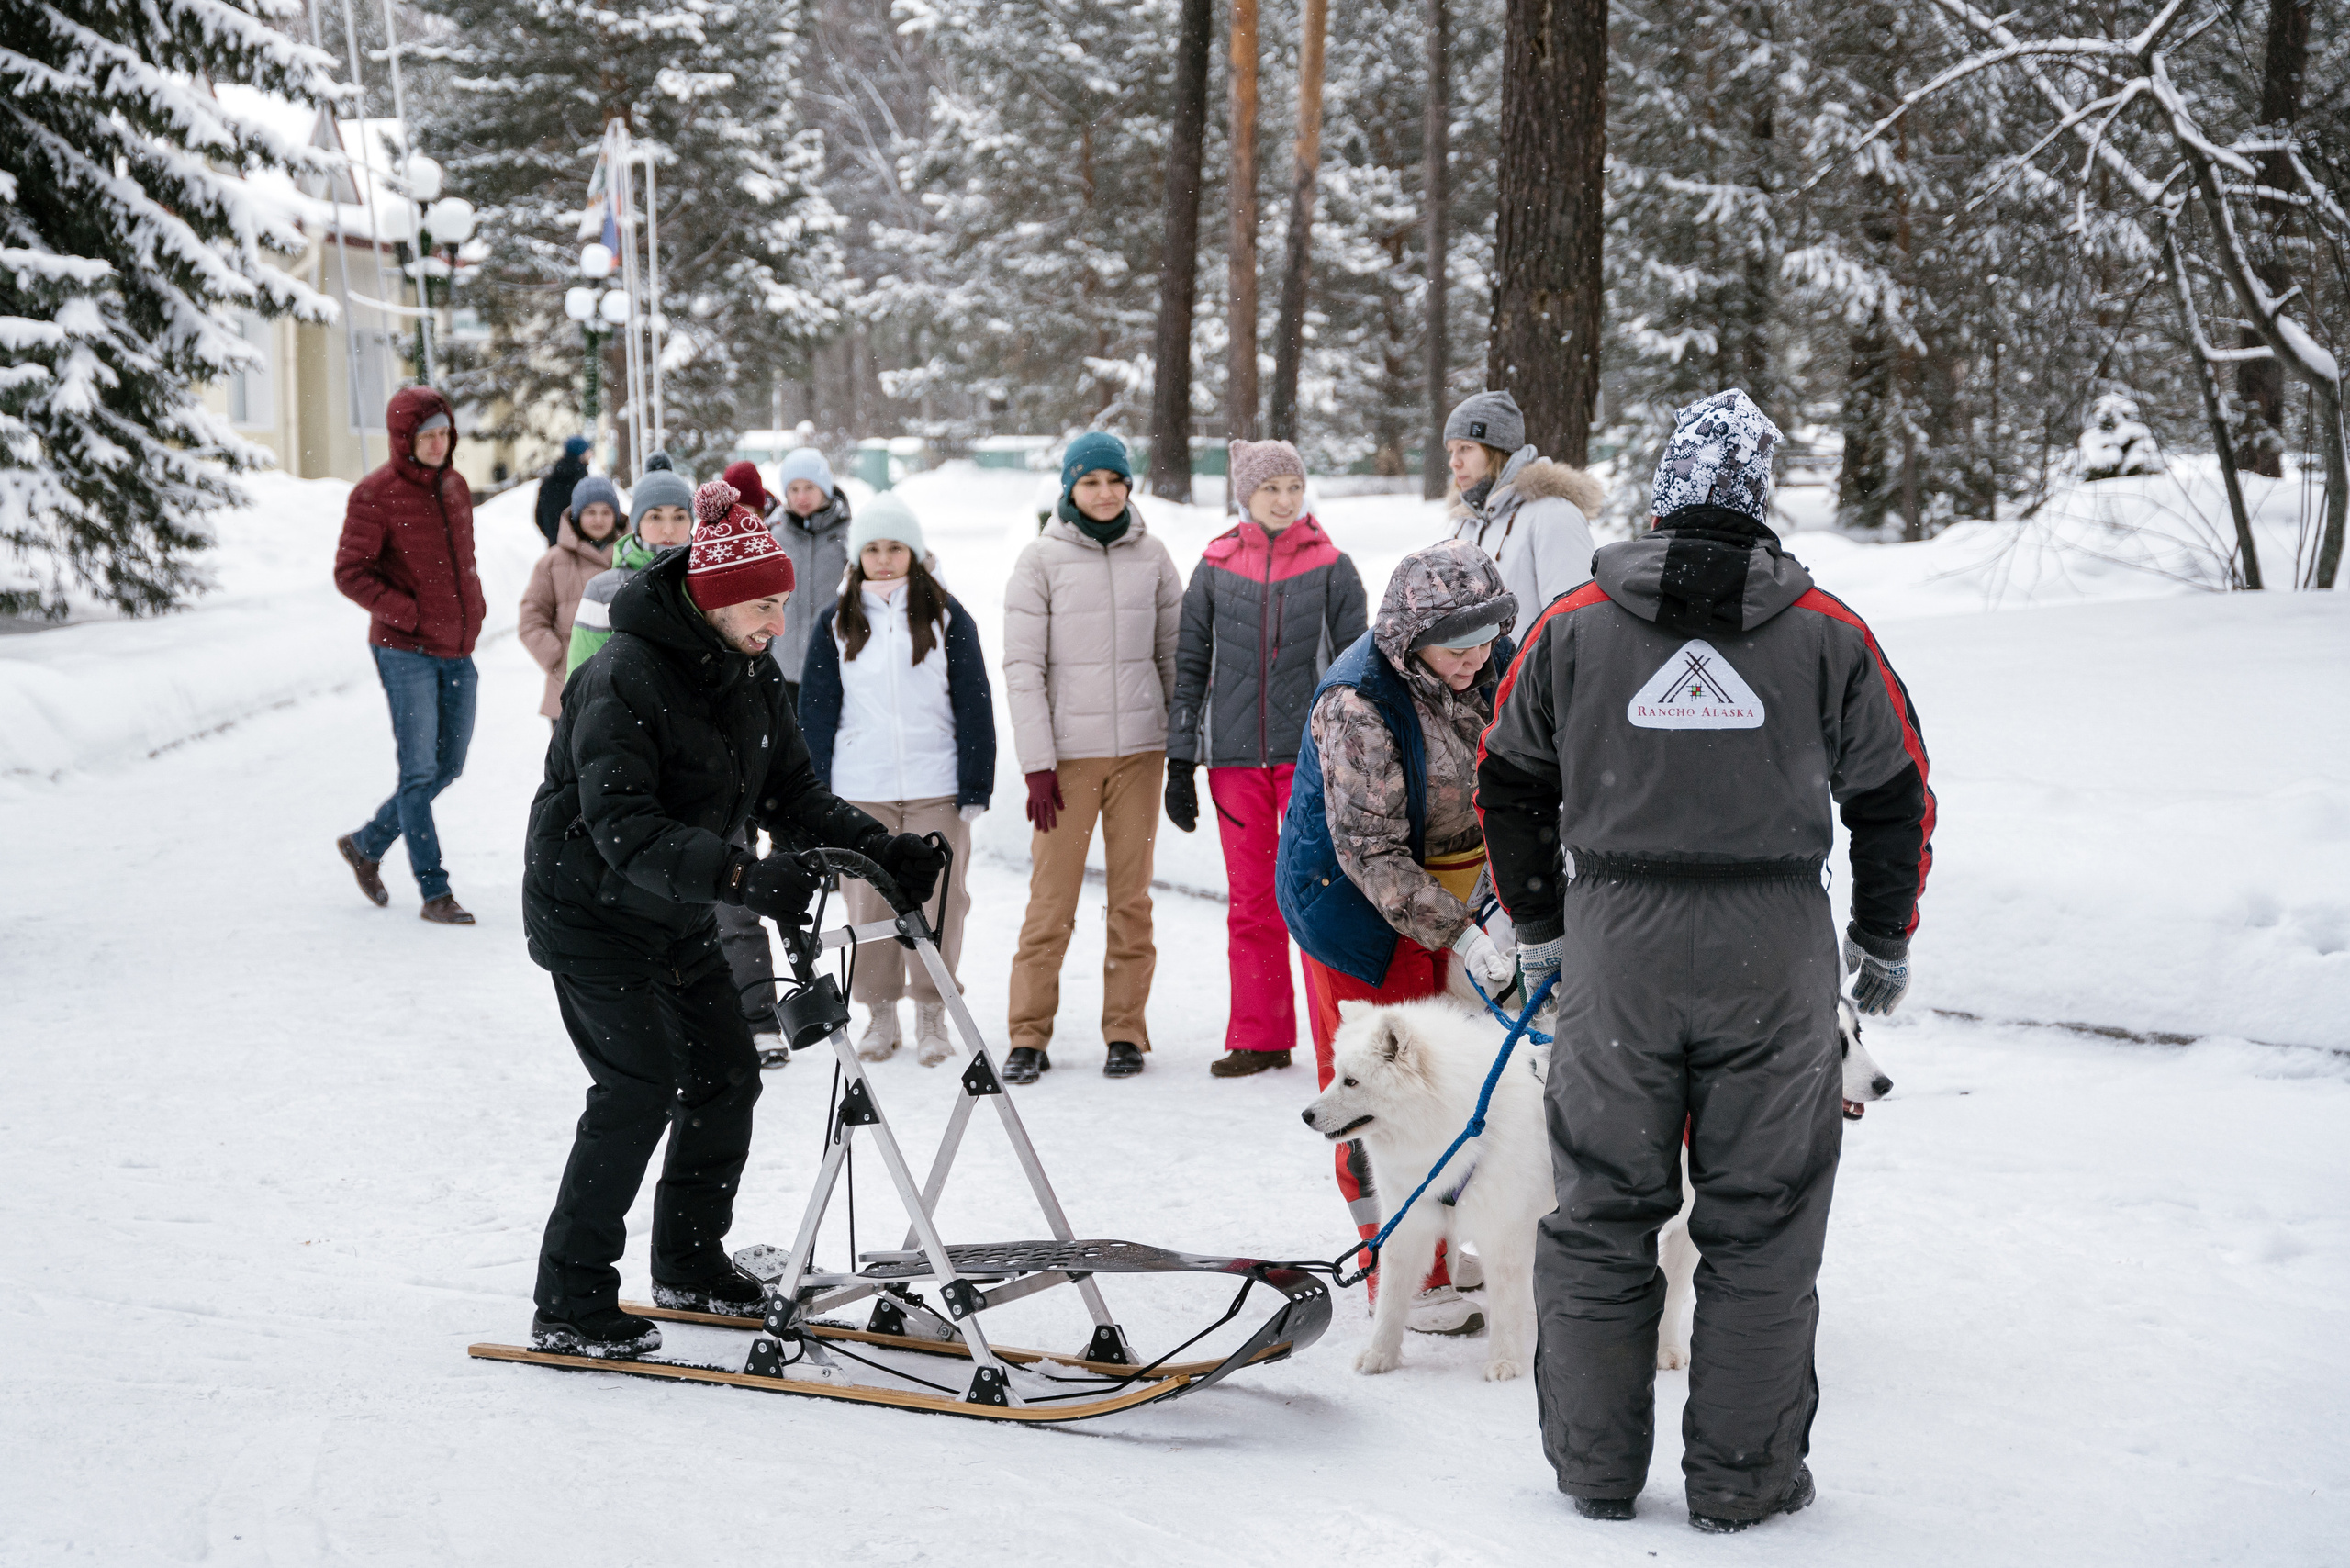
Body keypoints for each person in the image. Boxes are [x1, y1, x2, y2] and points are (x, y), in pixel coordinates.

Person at [1475, 389, 1935, 1531]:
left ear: (1662, 493)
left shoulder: (1575, 622)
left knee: (1599, 1209)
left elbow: (1510, 776)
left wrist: (1538, 925)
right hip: (1768, 953)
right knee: (1763, 1221)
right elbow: (1892, 792)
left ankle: (1594, 1468)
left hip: (1616, 949)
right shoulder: (1826, 631)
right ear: (1756, 500)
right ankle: (1743, 1478)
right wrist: (1881, 934)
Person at [521, 478, 948, 1360]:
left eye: (782, 604)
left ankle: (687, 1261)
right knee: (635, 1087)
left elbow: (794, 795)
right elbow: (622, 826)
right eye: (762, 605)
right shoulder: (620, 677)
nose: (775, 622)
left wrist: (881, 851)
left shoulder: (752, 674)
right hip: (592, 914)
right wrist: (744, 875)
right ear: (714, 600)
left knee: (725, 1075)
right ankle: (569, 1298)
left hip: (673, 912)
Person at [1274, 539, 1521, 1334]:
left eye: (1486, 640)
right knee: (1379, 1088)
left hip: (1456, 896)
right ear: (1411, 636)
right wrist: (1465, 932)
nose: (1476, 659)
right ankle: (1401, 1270)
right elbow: (1371, 852)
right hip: (1356, 909)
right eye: (1457, 647)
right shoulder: (1358, 703)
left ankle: (1440, 1242)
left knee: (1448, 1083)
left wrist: (1505, 902)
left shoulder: (1489, 663)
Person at [1165, 438, 1367, 1078]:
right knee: (1251, 900)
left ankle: (1341, 1047)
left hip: (1311, 761)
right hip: (1233, 760)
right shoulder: (1214, 566)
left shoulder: (1333, 565)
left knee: (1318, 897)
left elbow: (1360, 669)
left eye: (1292, 487)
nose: (1283, 500)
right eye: (1270, 488)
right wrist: (1180, 759)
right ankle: (1260, 1035)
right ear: (1244, 495)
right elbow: (1190, 664)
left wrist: (1357, 760)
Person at [1001, 431, 1182, 1084]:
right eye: (1091, 482)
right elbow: (1022, 669)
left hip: (1139, 753)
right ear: (1069, 489)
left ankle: (1126, 1031)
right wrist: (1038, 764)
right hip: (1066, 764)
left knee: (1132, 900)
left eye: (1115, 481)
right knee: (1051, 902)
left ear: (1129, 486)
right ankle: (1028, 1034)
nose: (1105, 493)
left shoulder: (1155, 557)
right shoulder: (1039, 561)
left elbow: (1172, 657)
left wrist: (1179, 745)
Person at [798, 491, 996, 1068]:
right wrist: (815, 793)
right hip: (863, 790)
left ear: (914, 552)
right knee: (869, 908)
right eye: (873, 549)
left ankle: (934, 1012)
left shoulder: (947, 616)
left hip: (936, 787)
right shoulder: (835, 623)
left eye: (895, 548)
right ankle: (879, 1014)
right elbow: (817, 713)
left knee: (941, 902)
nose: (884, 559)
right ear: (858, 557)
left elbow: (973, 704)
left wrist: (975, 784)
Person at [331, 386, 487, 925]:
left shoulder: (456, 487)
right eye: (427, 435)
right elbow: (350, 573)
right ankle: (434, 892)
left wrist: (473, 609)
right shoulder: (374, 494)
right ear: (404, 439)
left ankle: (366, 843)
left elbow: (462, 560)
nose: (439, 443)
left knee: (450, 765)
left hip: (458, 649)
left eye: (444, 433)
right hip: (405, 650)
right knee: (419, 771)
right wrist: (412, 615)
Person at [1440, 389, 1603, 614]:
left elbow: (1575, 620)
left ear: (1497, 450)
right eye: (1451, 451)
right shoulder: (1464, 521)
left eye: (1465, 448)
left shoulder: (1552, 515)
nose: (1454, 462)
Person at [735, 450, 851, 712]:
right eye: (794, 488)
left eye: (809, 487)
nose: (801, 496)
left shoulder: (847, 535)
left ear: (825, 488)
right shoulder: (775, 535)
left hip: (834, 665)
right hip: (783, 666)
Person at [566, 466, 694, 672]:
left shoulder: (710, 579)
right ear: (637, 523)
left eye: (679, 517)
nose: (668, 529)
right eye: (655, 517)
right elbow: (581, 684)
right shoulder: (603, 590)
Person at [519, 475, 621, 722]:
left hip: (623, 687)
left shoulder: (630, 557)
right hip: (568, 690)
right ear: (576, 515)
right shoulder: (552, 562)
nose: (598, 519)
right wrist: (559, 657)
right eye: (590, 511)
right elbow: (531, 618)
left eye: (606, 511)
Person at [535, 434, 590, 548]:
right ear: (581, 453)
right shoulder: (583, 482)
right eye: (587, 450)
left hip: (555, 547)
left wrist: (554, 536)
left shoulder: (548, 482)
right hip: (582, 549)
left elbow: (539, 517)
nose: (591, 454)